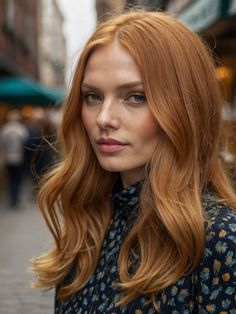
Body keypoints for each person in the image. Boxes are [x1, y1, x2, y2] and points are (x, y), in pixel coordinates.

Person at [31, 11, 236, 313]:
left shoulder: (220, 238)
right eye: (92, 97)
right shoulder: (88, 224)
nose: (104, 118)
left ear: (185, 107)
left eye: (136, 97)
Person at [0, 109, 29, 207]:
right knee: (17, 178)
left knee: (11, 178)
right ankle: (15, 196)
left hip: (8, 158)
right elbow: (26, 143)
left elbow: (2, 144)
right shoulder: (21, 129)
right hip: (19, 157)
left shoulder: (5, 129)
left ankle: (13, 196)